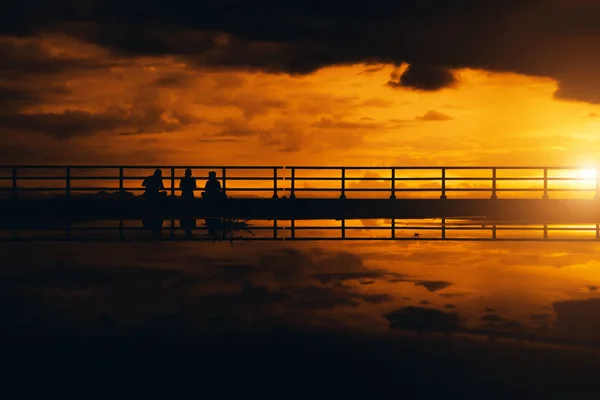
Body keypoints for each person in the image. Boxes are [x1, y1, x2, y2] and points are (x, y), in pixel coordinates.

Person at [179, 168, 196, 238]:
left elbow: (180, 187)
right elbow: (194, 187)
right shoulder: (192, 180)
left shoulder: (183, 179)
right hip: (189, 194)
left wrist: (185, 188)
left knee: (185, 207)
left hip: (185, 194)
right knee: (190, 207)